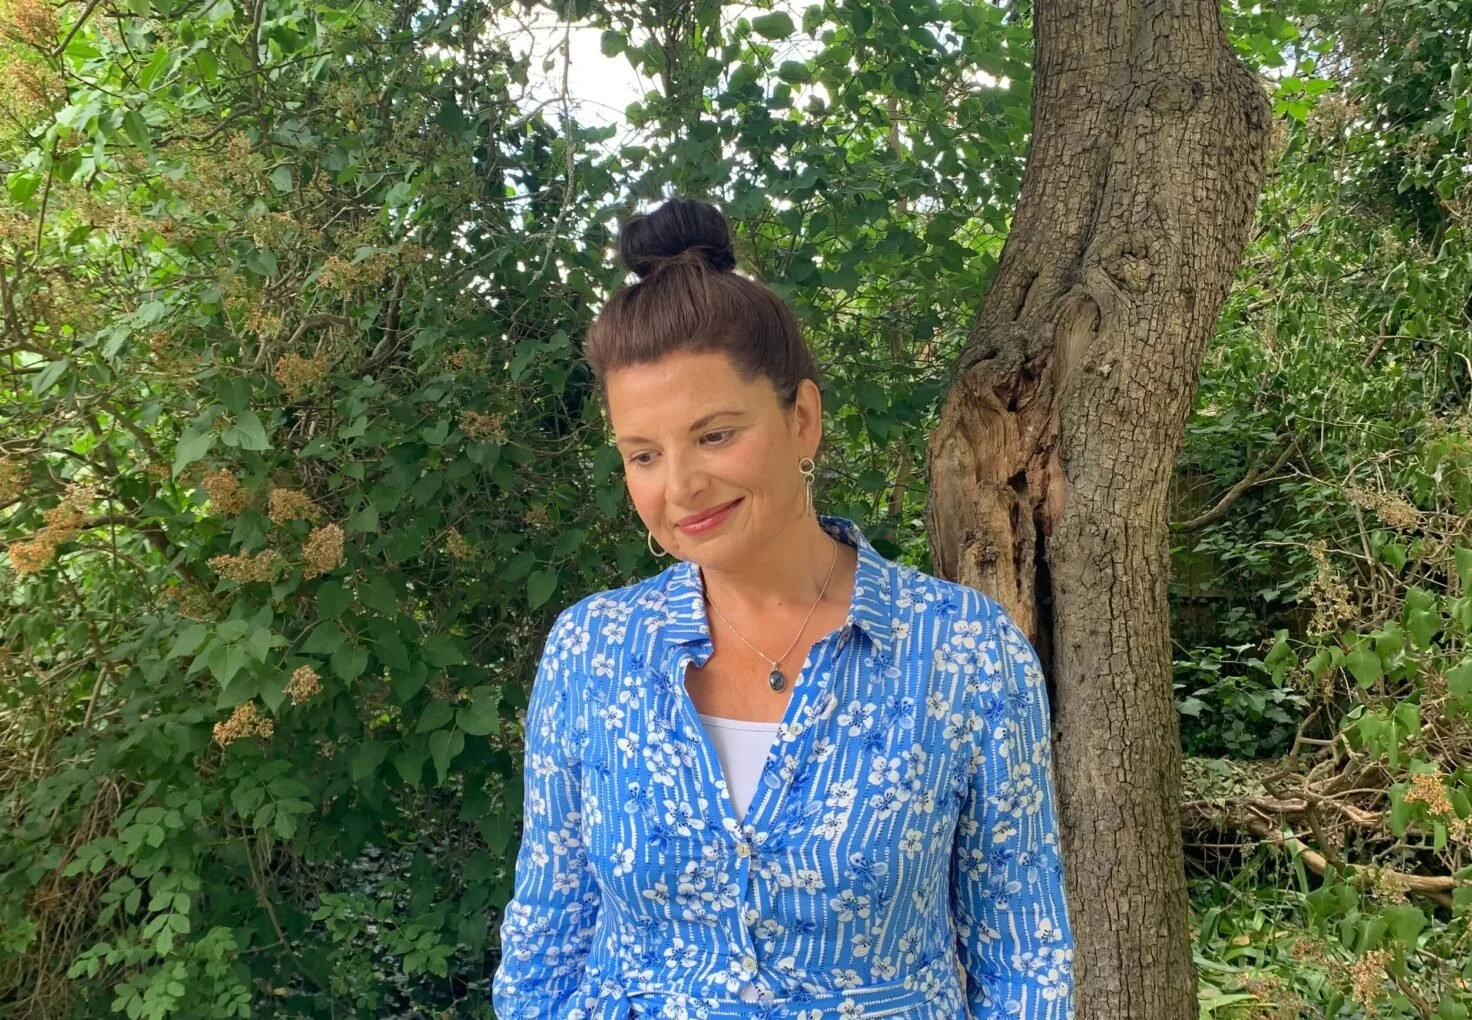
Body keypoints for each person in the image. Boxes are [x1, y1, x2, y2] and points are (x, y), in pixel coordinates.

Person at [491, 196, 1076, 1019]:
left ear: (802, 419)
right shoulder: (591, 651)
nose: (681, 485)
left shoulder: (962, 653)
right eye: (644, 454)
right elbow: (544, 949)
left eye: (716, 435)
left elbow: (1026, 961)